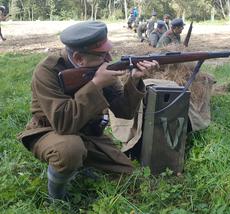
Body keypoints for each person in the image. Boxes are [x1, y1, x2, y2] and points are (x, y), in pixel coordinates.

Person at [17, 21, 159, 201]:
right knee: (69, 150)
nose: (109, 59)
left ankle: (82, 166)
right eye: (102, 55)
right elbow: (63, 124)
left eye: (108, 52)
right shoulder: (47, 71)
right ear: (78, 58)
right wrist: (96, 84)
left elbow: (125, 111)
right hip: (49, 131)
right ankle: (57, 197)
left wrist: (135, 80)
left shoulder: (96, 69)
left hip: (89, 133)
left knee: (130, 177)